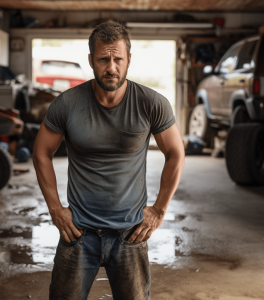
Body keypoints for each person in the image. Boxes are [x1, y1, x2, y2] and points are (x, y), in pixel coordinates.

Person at [33, 20, 185, 300]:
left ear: (129, 60)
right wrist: (56, 209)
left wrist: (159, 211)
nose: (111, 67)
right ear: (91, 60)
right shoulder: (67, 103)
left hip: (130, 234)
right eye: (103, 59)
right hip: (77, 233)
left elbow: (176, 154)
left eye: (118, 59)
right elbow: (41, 152)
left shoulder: (151, 103)